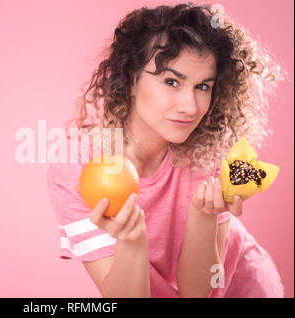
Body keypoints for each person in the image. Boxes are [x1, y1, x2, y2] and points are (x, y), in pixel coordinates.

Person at [46, 2, 286, 298]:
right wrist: (132, 240)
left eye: (203, 87)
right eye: (171, 81)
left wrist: (203, 215)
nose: (190, 107)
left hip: (245, 285)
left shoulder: (207, 152)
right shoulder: (76, 166)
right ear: (132, 79)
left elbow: (197, 294)